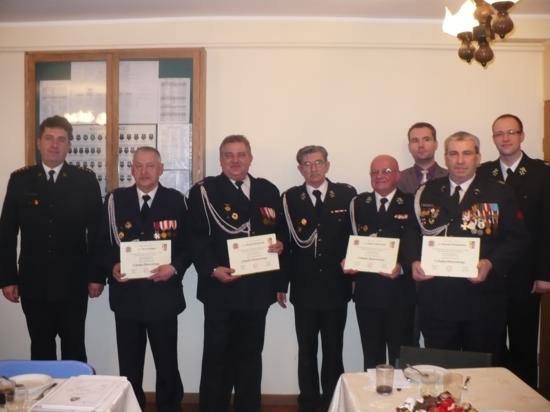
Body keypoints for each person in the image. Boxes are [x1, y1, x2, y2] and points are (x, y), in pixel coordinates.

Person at [187, 135, 286, 412]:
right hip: (221, 288)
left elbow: (279, 232)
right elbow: (194, 237)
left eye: (241, 154)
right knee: (216, 358)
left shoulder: (267, 189)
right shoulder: (204, 191)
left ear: (250, 158)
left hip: (257, 289)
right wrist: (211, 269)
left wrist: (280, 244)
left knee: (251, 357)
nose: (235, 160)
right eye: (228, 155)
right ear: (220, 160)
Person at [411, 131, 526, 356]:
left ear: (478, 158)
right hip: (438, 300)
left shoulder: (499, 192)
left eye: (467, 153)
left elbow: (517, 238)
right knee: (440, 368)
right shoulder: (427, 192)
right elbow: (413, 232)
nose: (460, 160)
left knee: (481, 370)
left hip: (482, 301)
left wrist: (491, 263)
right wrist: (414, 260)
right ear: (446, 158)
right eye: (454, 154)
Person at [94, 146, 191, 411]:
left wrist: (174, 267)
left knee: (167, 364)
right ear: (131, 169)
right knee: (129, 367)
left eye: (150, 166)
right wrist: (112, 265)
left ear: (161, 169)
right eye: (139, 166)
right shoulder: (114, 200)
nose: (144, 171)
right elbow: (101, 244)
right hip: (127, 298)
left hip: (163, 297)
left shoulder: (176, 200)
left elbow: (188, 246)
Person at [0, 115, 102, 361]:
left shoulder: (85, 180)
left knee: (74, 349)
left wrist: (97, 276)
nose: (54, 145)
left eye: (61, 139)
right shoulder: (21, 180)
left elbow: (97, 232)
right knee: (40, 349)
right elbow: (7, 232)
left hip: (73, 283)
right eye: (49, 138)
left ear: (69, 145)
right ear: (39, 142)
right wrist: (7, 278)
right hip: (33, 283)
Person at [278, 145, 355, 412]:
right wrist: (281, 284)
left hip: (336, 287)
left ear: (327, 165)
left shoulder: (346, 194)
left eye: (318, 162)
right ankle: (308, 402)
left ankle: (334, 402)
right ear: (300, 168)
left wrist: (355, 265)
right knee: (307, 351)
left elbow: (356, 236)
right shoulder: (289, 198)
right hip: (304, 288)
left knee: (334, 350)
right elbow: (285, 244)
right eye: (307, 164)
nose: (313, 168)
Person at [477, 114, 550, 388]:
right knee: (491, 345)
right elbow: (478, 226)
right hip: (492, 274)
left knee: (524, 345)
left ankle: (525, 401)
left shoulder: (542, 173)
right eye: (499, 133)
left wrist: (545, 273)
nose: (505, 138)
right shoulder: (484, 173)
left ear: (522, 135)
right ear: (493, 138)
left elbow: (547, 227)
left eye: (511, 132)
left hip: (526, 275)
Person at [344, 155, 416, 369]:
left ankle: (402, 392)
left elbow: (417, 242)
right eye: (375, 172)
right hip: (367, 294)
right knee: (371, 356)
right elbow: (348, 238)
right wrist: (347, 260)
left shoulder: (412, 203)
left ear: (398, 175)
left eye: (386, 171)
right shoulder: (359, 204)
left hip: (400, 294)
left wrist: (402, 267)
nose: (379, 176)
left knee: (401, 357)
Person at [398, 122, 447, 194]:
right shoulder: (398, 179)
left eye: (426, 139)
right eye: (415, 140)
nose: (421, 145)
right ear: (409, 147)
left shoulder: (450, 177)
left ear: (436, 144)